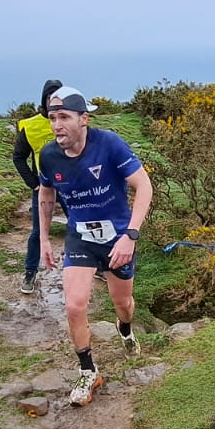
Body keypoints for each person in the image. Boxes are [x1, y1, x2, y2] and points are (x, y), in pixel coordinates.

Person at [36, 85, 154, 406]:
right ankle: (89, 371)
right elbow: (45, 194)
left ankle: (125, 329)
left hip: (118, 238)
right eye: (52, 118)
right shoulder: (48, 155)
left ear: (83, 119)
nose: (56, 125)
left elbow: (144, 186)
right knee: (74, 305)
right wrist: (45, 238)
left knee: (123, 304)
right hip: (80, 237)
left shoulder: (109, 144)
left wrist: (131, 235)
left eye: (64, 117)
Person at [12, 79, 64, 294]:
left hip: (72, 184)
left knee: (82, 225)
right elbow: (19, 157)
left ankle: (98, 266)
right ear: (43, 99)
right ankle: (30, 273)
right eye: (49, 97)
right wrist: (33, 184)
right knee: (38, 232)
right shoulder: (30, 126)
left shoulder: (69, 119)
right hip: (45, 187)